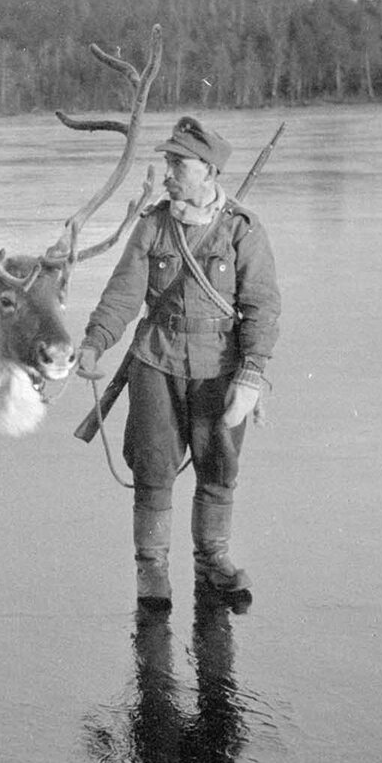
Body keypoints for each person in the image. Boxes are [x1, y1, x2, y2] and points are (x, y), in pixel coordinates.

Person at [77, 116, 281, 610]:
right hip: (156, 362)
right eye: (167, 162)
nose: (167, 172)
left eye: (177, 163)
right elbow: (123, 294)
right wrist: (94, 342)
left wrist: (252, 373)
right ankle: (152, 570)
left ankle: (214, 560)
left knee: (218, 468)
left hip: (221, 367)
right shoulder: (152, 225)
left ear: (209, 170)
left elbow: (262, 306)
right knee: (153, 468)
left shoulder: (241, 229)